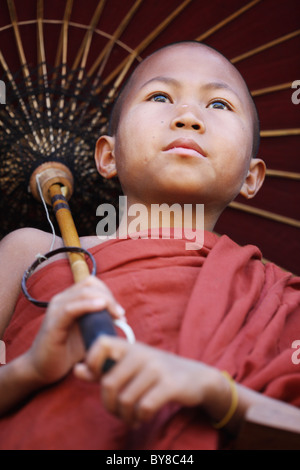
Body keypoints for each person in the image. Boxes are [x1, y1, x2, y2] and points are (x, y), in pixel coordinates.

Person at [0, 41, 299, 450]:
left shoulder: (278, 297)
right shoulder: (33, 250)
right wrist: (32, 368)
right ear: (108, 155)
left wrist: (214, 391)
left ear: (251, 175)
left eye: (219, 105)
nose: (189, 117)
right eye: (160, 96)